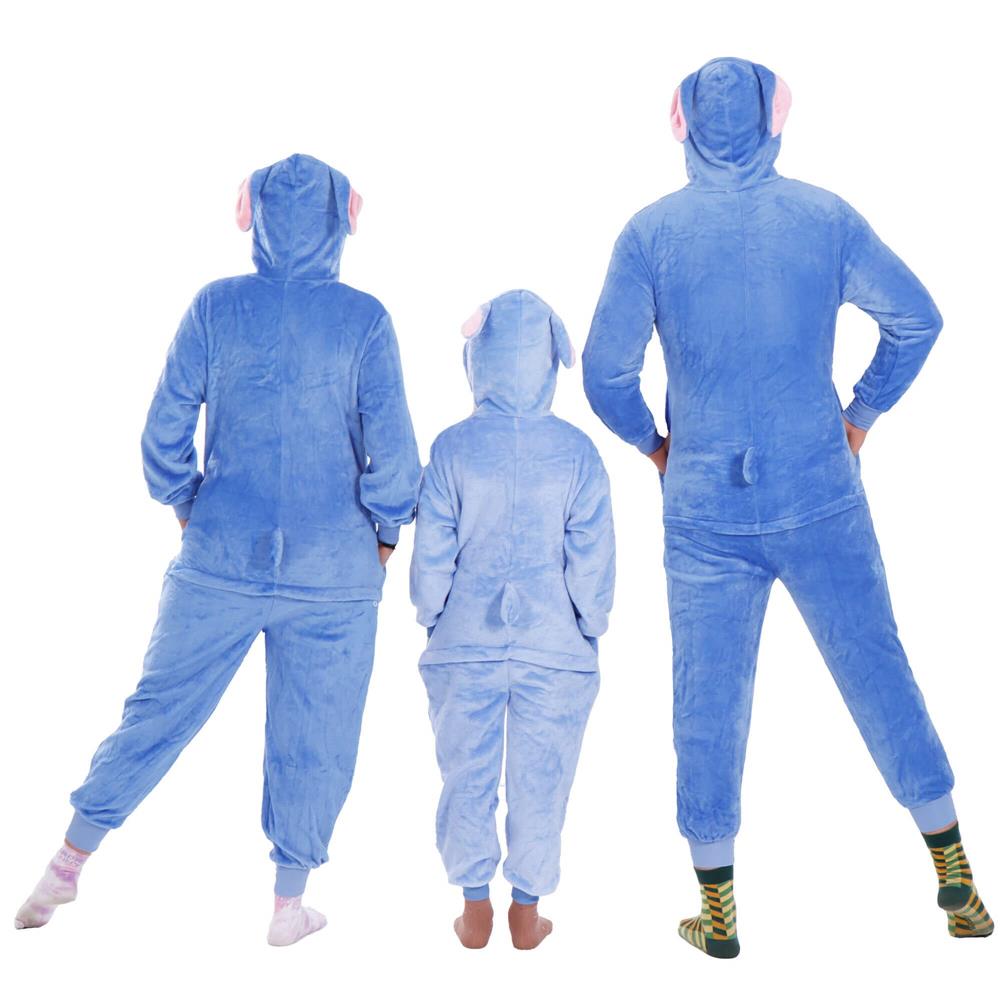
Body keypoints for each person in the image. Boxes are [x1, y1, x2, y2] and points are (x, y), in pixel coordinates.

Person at [583, 58, 991, 958]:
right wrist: (860, 417)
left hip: (705, 507)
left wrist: (657, 448)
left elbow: (605, 375)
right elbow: (917, 319)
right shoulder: (824, 217)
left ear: (681, 125)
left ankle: (718, 911)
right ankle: (953, 868)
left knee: (707, 699)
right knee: (877, 666)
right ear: (778, 119)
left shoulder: (651, 234)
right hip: (819, 489)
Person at [14, 153, 422, 946]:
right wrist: (383, 532)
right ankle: (287, 907)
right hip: (334, 568)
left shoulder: (216, 306)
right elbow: (396, 453)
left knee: (157, 711)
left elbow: (163, 432)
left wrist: (188, 508)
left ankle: (66, 863)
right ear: (345, 219)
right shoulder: (365, 319)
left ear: (251, 215)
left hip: (221, 554)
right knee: (317, 737)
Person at [411, 290, 614, 949]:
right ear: (551, 362)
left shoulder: (452, 448)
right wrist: (590, 623)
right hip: (554, 644)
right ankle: (526, 912)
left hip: (464, 641)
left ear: (480, 359)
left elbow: (432, 554)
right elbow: (592, 557)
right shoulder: (578, 452)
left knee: (464, 774)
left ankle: (475, 908)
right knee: (543, 776)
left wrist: (432, 614)